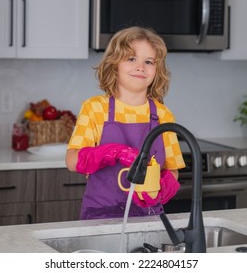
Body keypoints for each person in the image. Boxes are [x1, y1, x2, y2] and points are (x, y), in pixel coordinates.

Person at [65, 26, 185, 220]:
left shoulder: (163, 115)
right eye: (131, 59)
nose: (140, 67)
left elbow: (172, 169)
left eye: (148, 61)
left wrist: (162, 189)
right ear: (115, 65)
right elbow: (72, 161)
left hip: (149, 216)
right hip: (101, 215)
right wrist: (114, 152)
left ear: (157, 70)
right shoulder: (95, 108)